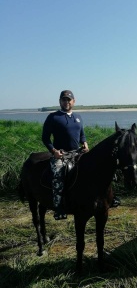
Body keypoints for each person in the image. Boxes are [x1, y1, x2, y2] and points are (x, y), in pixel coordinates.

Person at [42, 90, 89, 220]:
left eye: (69, 99)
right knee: (58, 174)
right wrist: (54, 151)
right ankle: (59, 207)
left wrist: (84, 143)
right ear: (60, 101)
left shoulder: (78, 117)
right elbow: (45, 138)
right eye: (64, 100)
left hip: (77, 152)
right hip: (61, 154)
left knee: (94, 166)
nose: (66, 102)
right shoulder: (53, 117)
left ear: (74, 101)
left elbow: (82, 134)